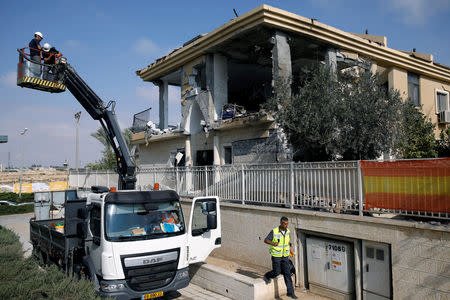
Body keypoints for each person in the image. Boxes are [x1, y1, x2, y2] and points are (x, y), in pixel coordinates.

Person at [263, 216, 297, 299]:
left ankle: (290, 292)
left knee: (287, 273)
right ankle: (267, 275)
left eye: (287, 224)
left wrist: (290, 250)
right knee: (276, 272)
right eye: (285, 224)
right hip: (276, 256)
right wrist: (272, 243)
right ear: (280, 223)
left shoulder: (288, 231)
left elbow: (287, 242)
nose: (286, 225)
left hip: (285, 256)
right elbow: (265, 240)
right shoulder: (274, 231)